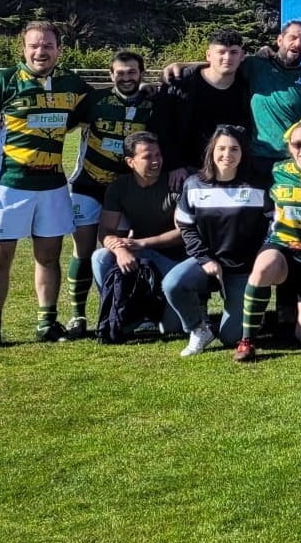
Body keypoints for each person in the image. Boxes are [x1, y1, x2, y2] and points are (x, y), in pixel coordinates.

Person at [0, 20, 97, 350]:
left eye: (48, 46)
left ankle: (46, 323)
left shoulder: (72, 84)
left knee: (48, 257)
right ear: (24, 48)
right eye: (34, 45)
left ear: (59, 50)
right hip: (7, 184)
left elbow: (99, 108)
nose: (41, 51)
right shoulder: (3, 81)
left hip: (52, 186)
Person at [64, 48, 164, 337]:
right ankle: (77, 316)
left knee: (127, 249)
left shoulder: (150, 104)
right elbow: (60, 123)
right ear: (111, 75)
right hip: (89, 184)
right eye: (120, 73)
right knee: (83, 250)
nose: (126, 77)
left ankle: (127, 307)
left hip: (125, 191)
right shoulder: (94, 100)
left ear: (141, 74)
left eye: (132, 72)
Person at [235, 119, 301, 362]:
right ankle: (247, 340)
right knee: (263, 268)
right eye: (298, 144)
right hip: (283, 248)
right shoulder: (275, 171)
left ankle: (290, 309)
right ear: (290, 148)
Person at [164, 126, 272, 355]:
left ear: (243, 153)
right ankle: (198, 328)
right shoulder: (194, 184)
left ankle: (245, 316)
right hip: (206, 261)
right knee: (172, 284)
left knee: (230, 337)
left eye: (234, 149)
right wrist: (204, 259)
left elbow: (273, 227)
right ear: (212, 151)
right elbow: (186, 226)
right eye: (221, 148)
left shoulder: (258, 186)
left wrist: (261, 259)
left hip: (243, 268)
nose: (227, 155)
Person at [89, 131, 184, 335]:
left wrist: (141, 244)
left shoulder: (174, 184)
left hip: (175, 260)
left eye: (158, 155)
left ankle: (165, 309)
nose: (155, 161)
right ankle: (121, 309)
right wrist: (120, 250)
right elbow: (106, 230)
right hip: (139, 253)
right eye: (147, 156)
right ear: (130, 162)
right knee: (100, 257)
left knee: (171, 328)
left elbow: (182, 233)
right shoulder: (119, 187)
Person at [236, 21, 301, 179]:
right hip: (258, 159)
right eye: (293, 37)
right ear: (280, 40)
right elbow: (219, 67)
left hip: (297, 161)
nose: (297, 43)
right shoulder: (255, 66)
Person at [162, 29, 253, 185]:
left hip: (229, 170)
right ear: (208, 55)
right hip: (184, 170)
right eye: (221, 52)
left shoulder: (246, 86)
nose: (227, 57)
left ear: (242, 56)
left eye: (233, 52)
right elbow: (161, 126)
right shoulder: (181, 82)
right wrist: (174, 165)